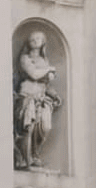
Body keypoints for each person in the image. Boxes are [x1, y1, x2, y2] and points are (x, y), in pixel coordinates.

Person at [15, 31, 61, 170]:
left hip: (42, 98)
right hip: (27, 96)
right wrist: (49, 70)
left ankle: (35, 154)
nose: (35, 41)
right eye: (32, 38)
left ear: (43, 42)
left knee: (46, 127)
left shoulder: (44, 61)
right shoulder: (24, 58)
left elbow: (44, 84)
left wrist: (54, 95)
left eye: (38, 38)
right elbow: (33, 75)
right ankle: (24, 158)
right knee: (27, 128)